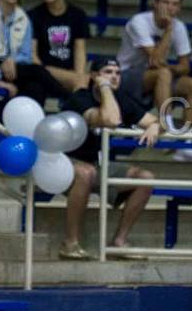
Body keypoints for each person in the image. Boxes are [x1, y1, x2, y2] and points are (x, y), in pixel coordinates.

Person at [59, 58, 159, 260]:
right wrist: (104, 88)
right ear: (94, 76)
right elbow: (110, 120)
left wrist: (155, 125)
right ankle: (70, 243)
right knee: (86, 173)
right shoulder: (80, 99)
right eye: (107, 72)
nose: (114, 76)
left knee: (145, 178)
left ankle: (119, 242)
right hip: (63, 162)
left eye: (117, 72)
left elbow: (153, 120)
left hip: (97, 164)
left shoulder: (120, 98)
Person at [116, 0, 192, 162]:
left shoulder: (180, 27)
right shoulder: (139, 22)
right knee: (163, 72)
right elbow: (155, 61)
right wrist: (169, 30)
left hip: (155, 77)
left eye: (175, 4)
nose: (170, 8)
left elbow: (185, 66)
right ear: (155, 4)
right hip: (124, 77)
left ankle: (187, 141)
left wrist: (169, 68)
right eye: (165, 2)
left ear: (179, 7)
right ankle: (169, 129)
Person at [29, 0, 90, 93]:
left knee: (88, 81)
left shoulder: (78, 15)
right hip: (44, 70)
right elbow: (32, 55)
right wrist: (44, 73)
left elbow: (80, 50)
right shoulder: (34, 15)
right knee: (82, 82)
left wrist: (78, 75)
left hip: (70, 72)